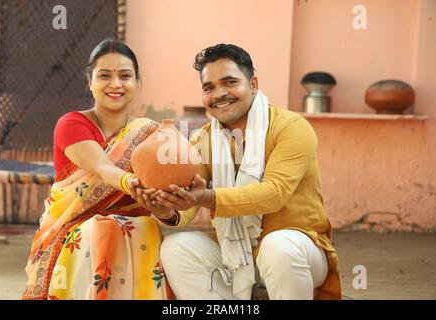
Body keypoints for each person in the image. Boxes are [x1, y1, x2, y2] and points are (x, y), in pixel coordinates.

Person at [142, 44, 341, 300]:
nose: (219, 94)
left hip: (298, 249)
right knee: (176, 248)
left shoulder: (291, 127)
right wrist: (165, 208)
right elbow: (189, 198)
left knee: (277, 247)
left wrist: (208, 197)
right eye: (209, 87)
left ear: (253, 84)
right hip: (235, 254)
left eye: (229, 82)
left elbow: (274, 193)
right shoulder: (204, 140)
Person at [22, 39, 178, 300]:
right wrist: (132, 183)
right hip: (75, 227)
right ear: (90, 81)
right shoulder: (71, 123)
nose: (115, 84)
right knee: (104, 228)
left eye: (125, 76)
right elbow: (102, 167)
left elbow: (167, 203)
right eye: (105, 75)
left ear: (137, 82)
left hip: (137, 227)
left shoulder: (150, 133)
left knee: (146, 228)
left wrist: (163, 207)